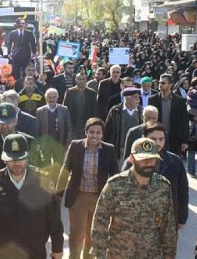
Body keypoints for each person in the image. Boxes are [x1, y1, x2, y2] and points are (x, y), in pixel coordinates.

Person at [0, 134, 63, 259]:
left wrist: (57, 248)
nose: (16, 163)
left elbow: (54, 219)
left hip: (35, 251)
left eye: (20, 158)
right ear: (4, 159)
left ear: (27, 157)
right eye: (11, 159)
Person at [90, 137, 177, 259]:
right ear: (132, 159)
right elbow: (100, 224)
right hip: (119, 255)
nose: (148, 163)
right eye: (143, 159)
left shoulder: (163, 187)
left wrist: (169, 255)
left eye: (152, 159)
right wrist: (98, 255)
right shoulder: (115, 186)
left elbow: (169, 227)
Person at [56, 117, 119, 259]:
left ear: (102, 134)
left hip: (99, 199)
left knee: (92, 235)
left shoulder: (108, 149)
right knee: (76, 235)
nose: (94, 136)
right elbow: (65, 170)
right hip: (78, 197)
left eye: (98, 133)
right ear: (86, 132)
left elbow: (115, 173)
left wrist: (116, 197)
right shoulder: (75, 146)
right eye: (91, 132)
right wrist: (59, 194)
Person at [121, 122, 189, 230]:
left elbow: (182, 190)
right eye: (153, 139)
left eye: (161, 139)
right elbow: (122, 189)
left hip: (167, 217)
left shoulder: (174, 161)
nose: (158, 143)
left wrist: (182, 217)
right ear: (144, 138)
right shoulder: (133, 161)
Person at [36, 88, 73, 182]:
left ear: (57, 97)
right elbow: (37, 129)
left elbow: (69, 127)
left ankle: (57, 184)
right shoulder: (40, 111)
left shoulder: (64, 110)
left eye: (54, 97)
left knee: (58, 165)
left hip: (59, 142)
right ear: (46, 98)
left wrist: (68, 143)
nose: (52, 99)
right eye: (49, 97)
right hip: (45, 143)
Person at [148, 73, 189, 156]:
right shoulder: (152, 99)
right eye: (159, 82)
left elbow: (184, 121)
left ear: (170, 84)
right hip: (156, 138)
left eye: (163, 83)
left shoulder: (179, 101)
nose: (160, 85)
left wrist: (184, 141)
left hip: (174, 138)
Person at [104, 87, 143, 164]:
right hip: (119, 151)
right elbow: (107, 132)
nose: (138, 99)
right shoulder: (115, 111)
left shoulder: (142, 112)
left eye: (139, 97)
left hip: (137, 151)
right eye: (135, 97)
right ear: (127, 98)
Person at [63, 72, 98, 139]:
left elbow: (95, 110)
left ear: (86, 80)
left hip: (87, 124)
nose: (81, 81)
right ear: (76, 80)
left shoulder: (91, 93)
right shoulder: (69, 92)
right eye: (79, 79)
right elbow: (65, 108)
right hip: (73, 124)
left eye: (83, 79)